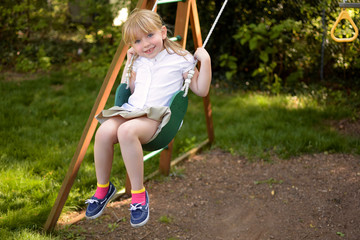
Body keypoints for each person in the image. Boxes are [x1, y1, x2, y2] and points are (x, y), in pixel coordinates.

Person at [84, 8, 212, 228]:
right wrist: (129, 66)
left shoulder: (181, 59)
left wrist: (205, 61)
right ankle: (104, 188)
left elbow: (201, 90)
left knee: (126, 131)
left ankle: (138, 195)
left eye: (150, 35)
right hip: (131, 110)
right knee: (103, 131)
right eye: (137, 41)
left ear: (163, 32)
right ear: (132, 46)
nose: (145, 44)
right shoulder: (139, 60)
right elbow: (132, 89)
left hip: (157, 118)